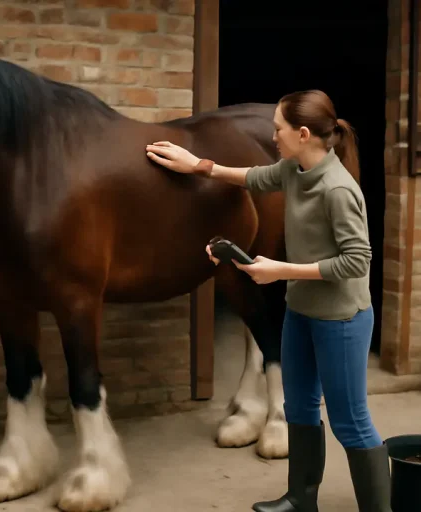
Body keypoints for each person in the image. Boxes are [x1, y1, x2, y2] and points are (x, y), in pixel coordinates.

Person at [145, 89, 391, 512]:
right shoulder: (294, 170)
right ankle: (301, 499)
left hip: (341, 320)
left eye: (278, 129)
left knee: (350, 421)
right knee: (298, 408)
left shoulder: (338, 190)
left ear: (302, 134)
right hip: (301, 312)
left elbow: (357, 261)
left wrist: (281, 270)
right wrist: (197, 165)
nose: (272, 135)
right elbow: (253, 177)